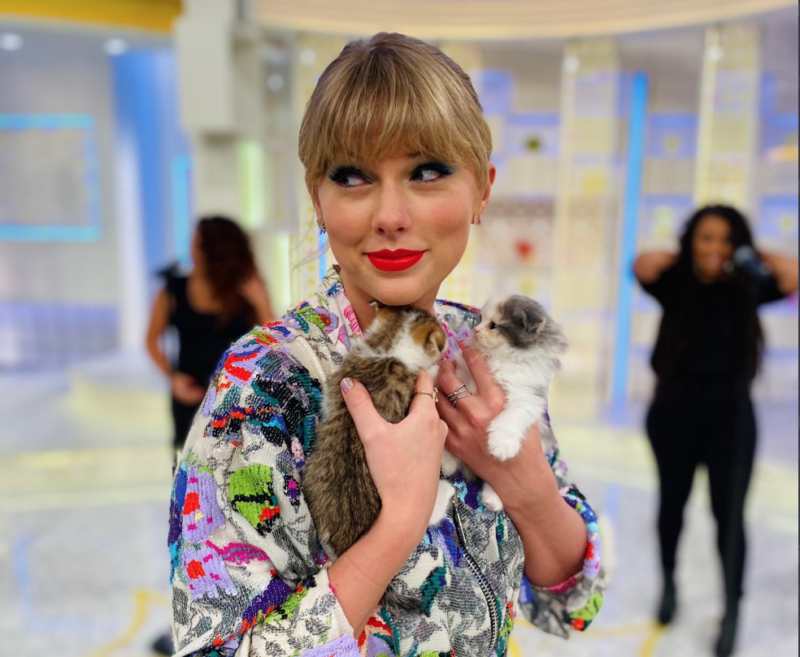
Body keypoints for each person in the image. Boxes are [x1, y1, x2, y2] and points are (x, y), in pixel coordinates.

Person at [168, 33, 606, 657]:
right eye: (352, 177)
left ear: (482, 190)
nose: (390, 215)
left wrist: (527, 485)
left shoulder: (483, 349)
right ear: (318, 200)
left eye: (427, 172)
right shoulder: (264, 381)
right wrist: (399, 519)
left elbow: (571, 606)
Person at [634, 205, 798, 657]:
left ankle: (732, 612)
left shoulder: (748, 285)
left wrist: (746, 253)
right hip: (674, 412)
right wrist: (692, 254)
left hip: (732, 417)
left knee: (729, 518)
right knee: (672, 506)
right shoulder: (676, 282)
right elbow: (642, 264)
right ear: (691, 240)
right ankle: (669, 586)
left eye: (726, 239)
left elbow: (792, 274)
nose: (716, 247)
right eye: (706, 237)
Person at [146, 215, 275, 456]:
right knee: (187, 463)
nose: (191, 251)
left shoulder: (244, 289)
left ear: (215, 252)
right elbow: (151, 340)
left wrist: (261, 302)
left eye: (196, 245)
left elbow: (273, 343)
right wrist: (173, 378)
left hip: (236, 396)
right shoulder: (173, 289)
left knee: (235, 466)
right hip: (190, 393)